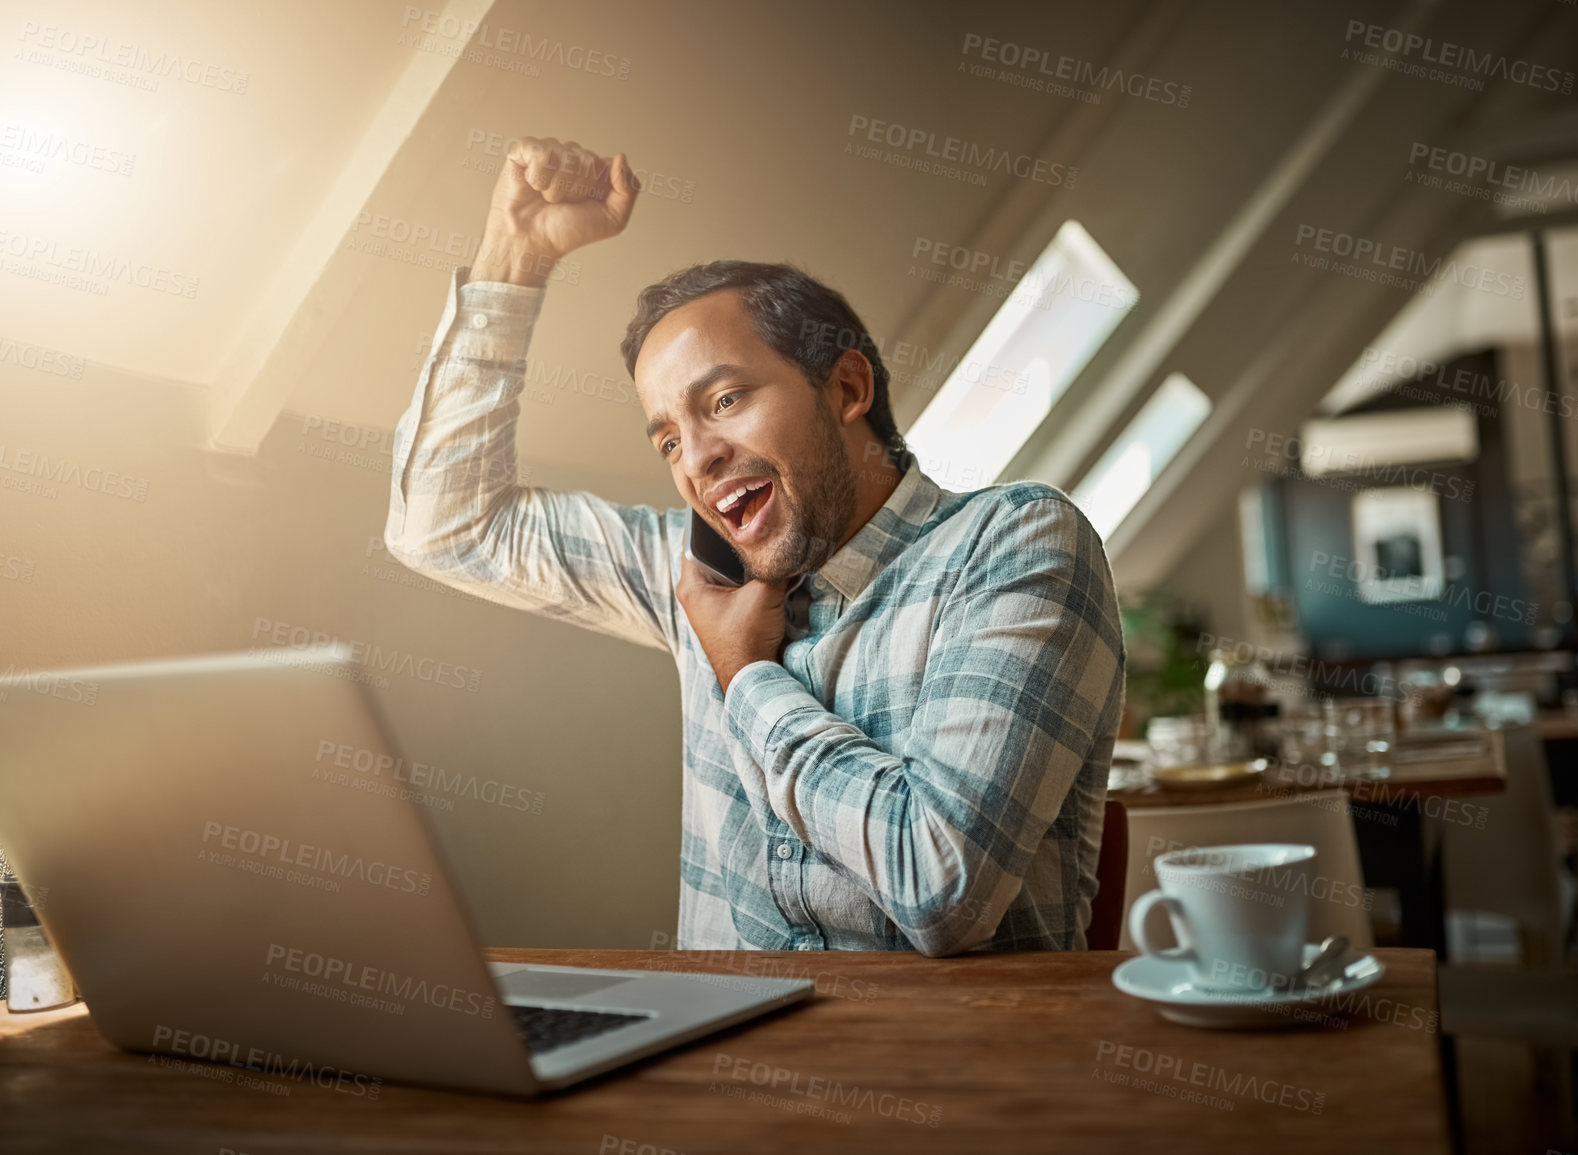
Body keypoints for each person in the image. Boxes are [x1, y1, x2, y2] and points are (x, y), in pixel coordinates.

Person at [386, 136, 1125, 955]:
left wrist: (746, 676)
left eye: (726, 399)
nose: (696, 459)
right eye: (667, 439)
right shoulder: (697, 570)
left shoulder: (1015, 546)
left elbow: (940, 887)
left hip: (947, 1074)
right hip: (717, 1068)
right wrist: (513, 258)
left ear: (846, 388)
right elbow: (445, 526)